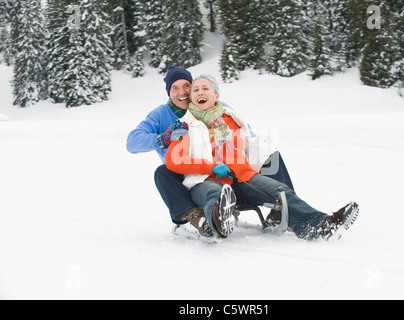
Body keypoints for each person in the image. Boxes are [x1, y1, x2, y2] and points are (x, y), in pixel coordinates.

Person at [165, 74, 359, 240]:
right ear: (191, 98)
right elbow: (173, 159)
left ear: (216, 95)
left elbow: (248, 146)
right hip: (205, 181)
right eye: (196, 89)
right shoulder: (185, 126)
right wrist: (210, 167)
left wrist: (266, 153)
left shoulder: (232, 119)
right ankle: (218, 225)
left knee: (280, 191)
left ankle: (319, 226)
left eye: (205, 88)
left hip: (241, 177)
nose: (200, 92)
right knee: (213, 196)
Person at [127, 66, 295, 225]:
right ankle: (192, 214)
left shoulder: (213, 106)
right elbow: (132, 142)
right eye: (175, 88)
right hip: (187, 171)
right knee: (162, 173)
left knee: (267, 151)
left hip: (222, 167)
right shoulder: (161, 114)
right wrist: (163, 139)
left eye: (187, 86)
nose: (183, 92)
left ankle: (286, 207)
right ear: (169, 93)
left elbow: (246, 133)